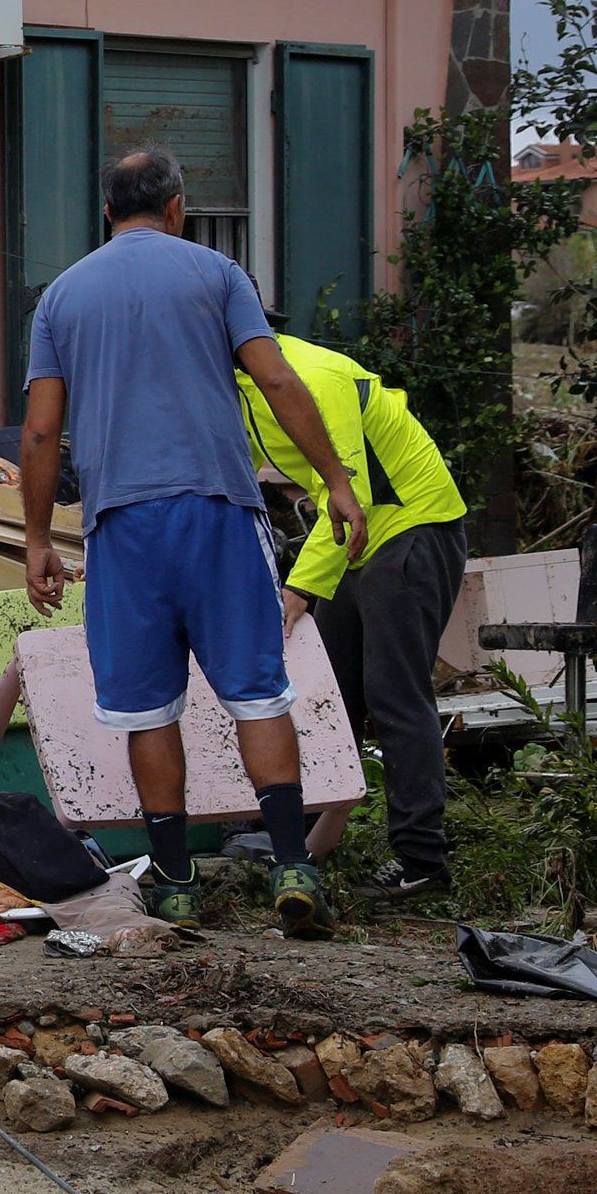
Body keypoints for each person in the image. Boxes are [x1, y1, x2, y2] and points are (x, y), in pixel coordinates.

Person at [21, 149, 368, 934]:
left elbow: (43, 430)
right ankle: (292, 864)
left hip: (120, 525)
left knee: (147, 712)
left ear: (107, 214)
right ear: (176, 206)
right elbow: (278, 380)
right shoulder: (217, 273)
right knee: (257, 689)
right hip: (216, 510)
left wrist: (38, 537)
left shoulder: (62, 299)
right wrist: (333, 480)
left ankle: (176, 882)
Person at [237, 329, 469, 903]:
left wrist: (298, 590)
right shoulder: (240, 380)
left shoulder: (316, 378)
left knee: (395, 695)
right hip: (354, 538)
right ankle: (298, 842)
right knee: (328, 694)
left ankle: (422, 862)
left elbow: (351, 491)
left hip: (412, 526)